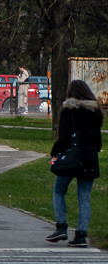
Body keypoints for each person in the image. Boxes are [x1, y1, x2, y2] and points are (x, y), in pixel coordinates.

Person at [49, 79, 103, 246]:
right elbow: (98, 140)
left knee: (59, 190)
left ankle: (61, 226)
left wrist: (54, 153)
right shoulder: (96, 112)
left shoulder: (69, 111)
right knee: (84, 198)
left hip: (71, 159)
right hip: (90, 159)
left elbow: (64, 138)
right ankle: (81, 235)